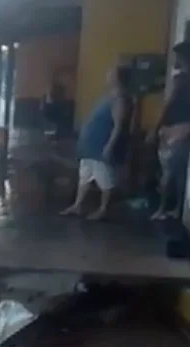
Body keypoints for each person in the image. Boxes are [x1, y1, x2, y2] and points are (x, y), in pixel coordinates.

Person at [61, 65, 134, 220]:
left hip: (100, 146)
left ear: (117, 78)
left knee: (105, 179)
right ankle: (78, 205)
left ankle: (103, 209)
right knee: (85, 176)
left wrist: (109, 146)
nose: (107, 75)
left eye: (110, 73)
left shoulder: (120, 100)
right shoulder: (108, 96)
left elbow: (118, 126)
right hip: (90, 146)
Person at [149, 40, 190, 220]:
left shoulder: (179, 79)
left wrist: (155, 129)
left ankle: (163, 209)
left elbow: (166, 105)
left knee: (168, 173)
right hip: (183, 130)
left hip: (174, 130)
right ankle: (177, 209)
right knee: (179, 174)